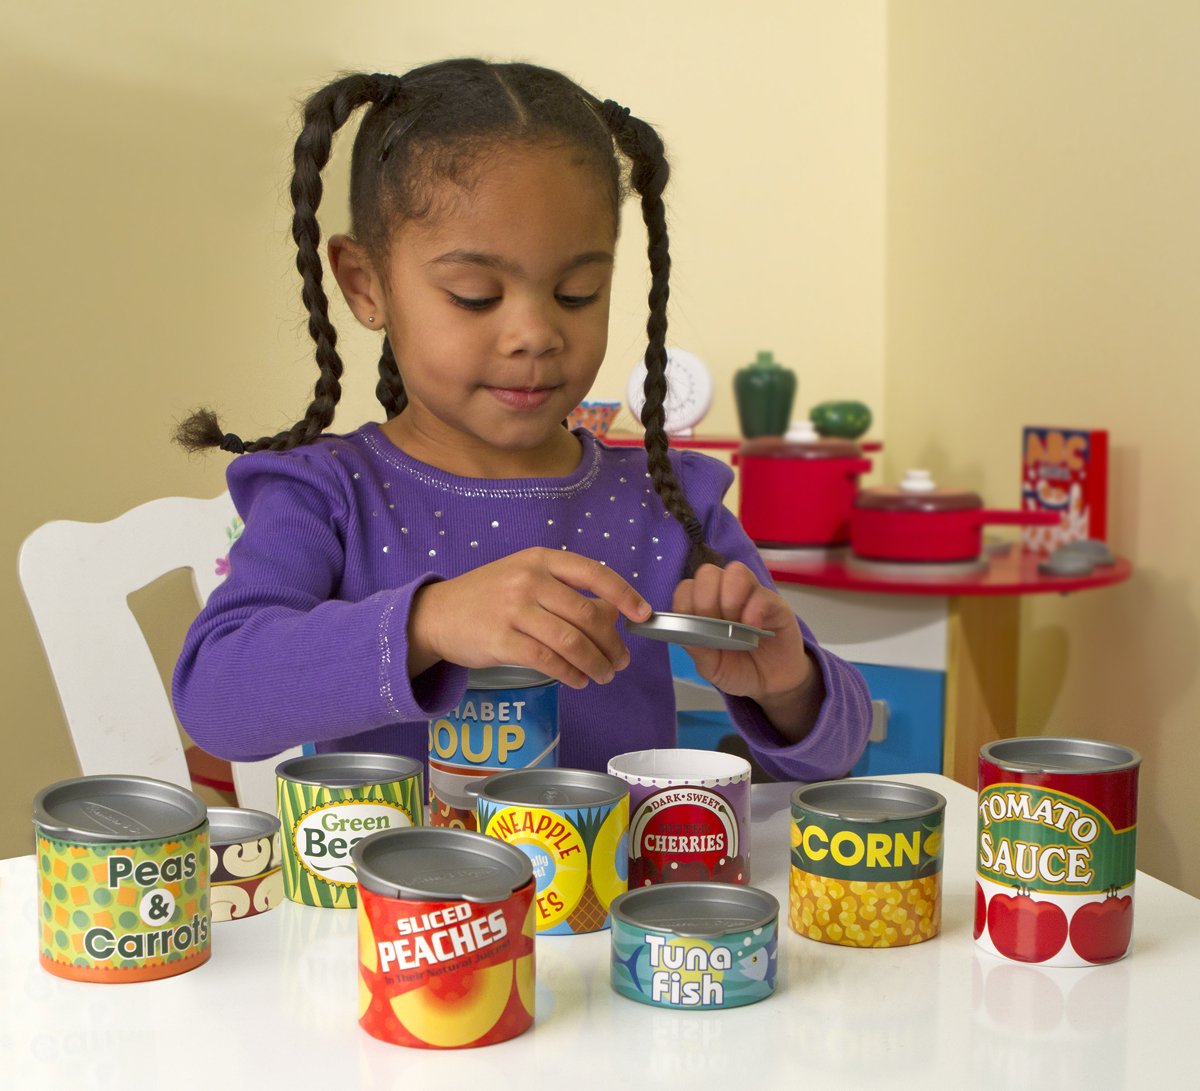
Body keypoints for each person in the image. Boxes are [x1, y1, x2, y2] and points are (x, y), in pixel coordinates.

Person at [172, 59, 871, 786]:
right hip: (391, 900)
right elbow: (216, 696)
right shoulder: (325, 493)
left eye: (577, 292)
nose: (535, 333)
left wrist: (788, 686)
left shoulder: (669, 505)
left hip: (612, 899)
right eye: (475, 295)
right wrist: (429, 623)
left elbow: (838, 752)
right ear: (365, 284)